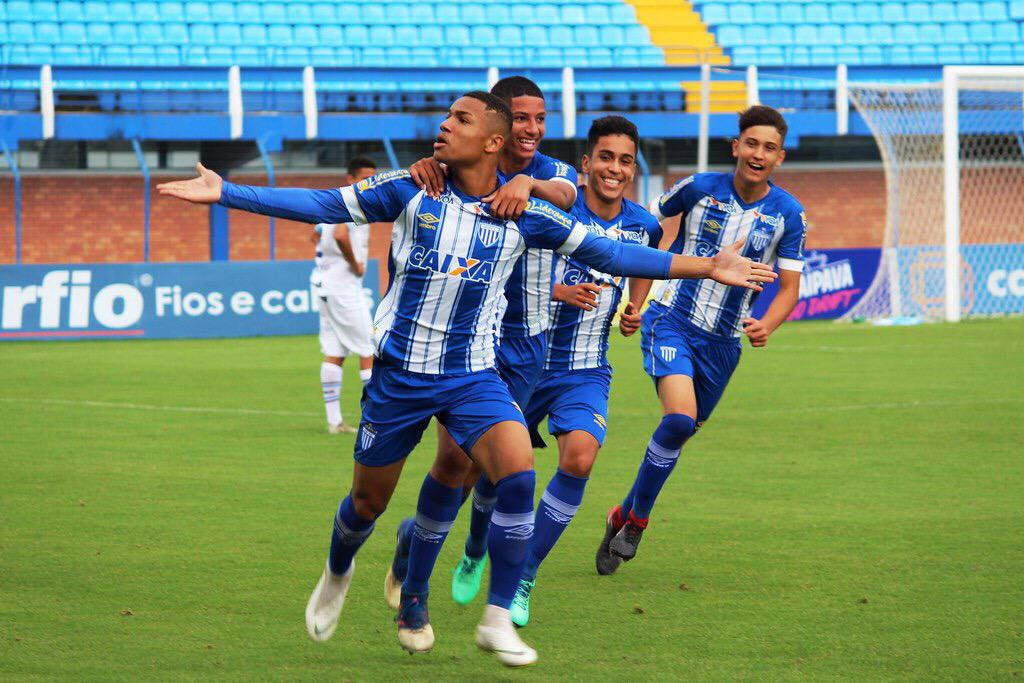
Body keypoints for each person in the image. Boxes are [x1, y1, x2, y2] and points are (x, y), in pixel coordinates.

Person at [157, 92, 776, 668]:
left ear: (490, 142)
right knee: (366, 505)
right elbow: (322, 205)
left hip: (473, 375)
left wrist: (707, 266)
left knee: (517, 472)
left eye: (460, 119)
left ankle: (497, 617)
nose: (444, 124)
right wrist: (226, 192)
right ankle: (339, 569)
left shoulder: (524, 212)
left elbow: (612, 253)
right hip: (401, 375)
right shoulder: (410, 188)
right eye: (448, 116)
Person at [384, 75, 581, 611]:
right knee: (457, 464)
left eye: (540, 119)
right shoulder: (457, 173)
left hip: (527, 344)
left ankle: (466, 548)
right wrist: (428, 167)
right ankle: (419, 561)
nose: (532, 129)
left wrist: (528, 185)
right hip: (470, 342)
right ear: (497, 128)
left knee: (496, 468)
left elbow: (566, 196)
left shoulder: (552, 172)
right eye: (522, 119)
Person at [595, 105, 806, 575]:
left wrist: (768, 323)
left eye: (769, 147)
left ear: (780, 157)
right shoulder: (698, 188)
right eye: (751, 143)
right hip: (672, 319)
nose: (758, 153)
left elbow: (790, 287)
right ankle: (639, 522)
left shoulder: (789, 214)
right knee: (678, 419)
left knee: (679, 434)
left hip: (725, 344)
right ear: (736, 147)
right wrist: (637, 300)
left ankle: (621, 513)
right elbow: (644, 225)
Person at [502, 115, 662, 626]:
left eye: (625, 161)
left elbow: (644, 262)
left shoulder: (643, 224)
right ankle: (451, 547)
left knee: (579, 458)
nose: (615, 169)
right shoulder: (552, 209)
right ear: (585, 163)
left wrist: (635, 307)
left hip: (585, 368)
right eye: (606, 158)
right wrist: (557, 291)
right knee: (471, 475)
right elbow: (505, 271)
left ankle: (524, 575)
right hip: (525, 359)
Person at [313, 157, 378, 434]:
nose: (369, 182)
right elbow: (340, 234)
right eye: (364, 177)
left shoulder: (332, 203)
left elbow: (316, 235)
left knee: (335, 352)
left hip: (324, 284)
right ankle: (376, 419)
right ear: (350, 178)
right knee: (369, 349)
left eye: (372, 177)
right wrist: (355, 264)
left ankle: (334, 421)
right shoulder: (352, 204)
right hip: (343, 288)